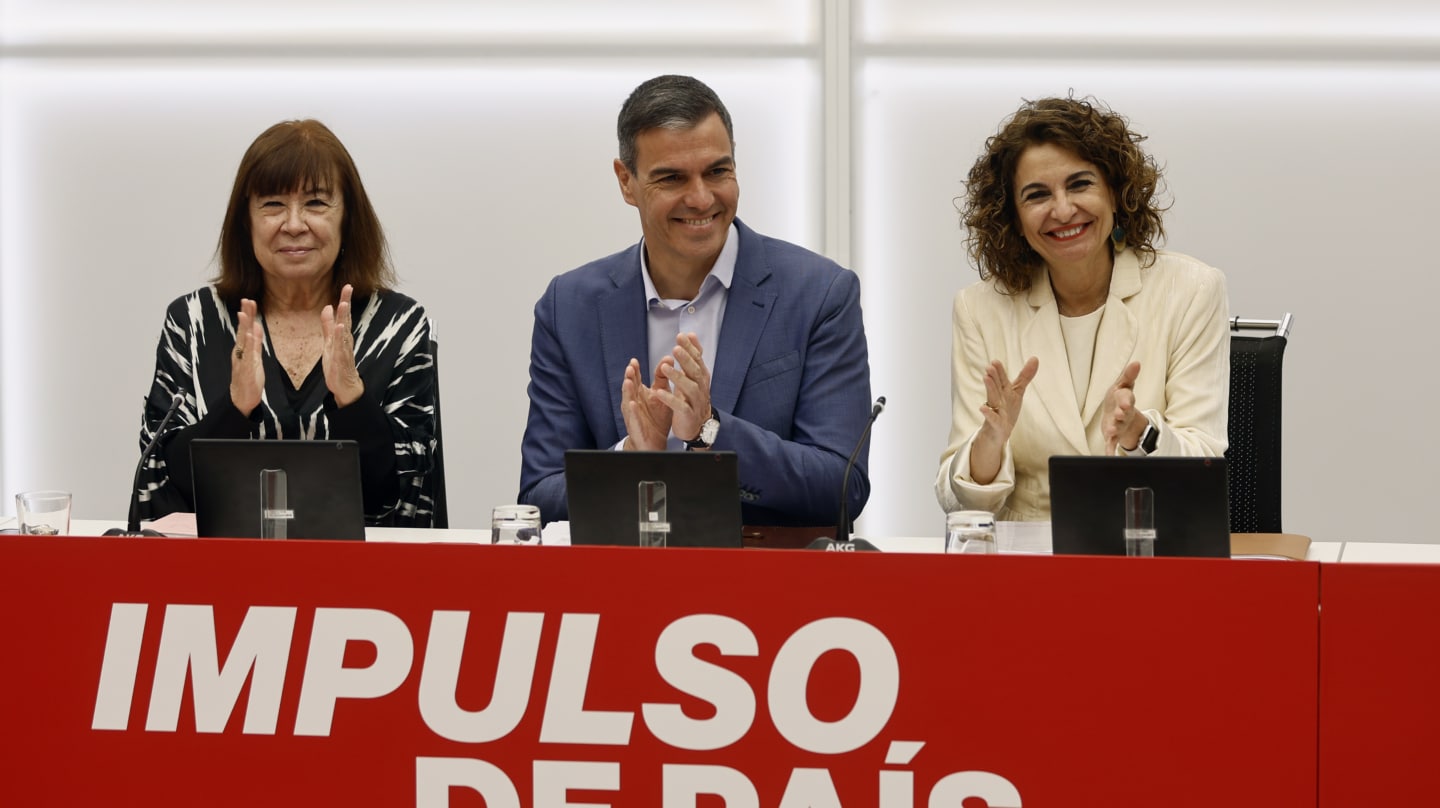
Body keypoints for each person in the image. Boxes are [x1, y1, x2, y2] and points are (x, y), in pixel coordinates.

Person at [519, 74, 873, 528]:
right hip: (617, 587)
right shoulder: (568, 307)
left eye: (717, 171)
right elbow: (538, 496)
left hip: (767, 585)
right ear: (626, 182)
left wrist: (710, 432)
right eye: (672, 178)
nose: (702, 198)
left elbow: (842, 487)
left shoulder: (820, 293)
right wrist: (632, 459)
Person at [935, 96, 1229, 521]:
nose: (1063, 209)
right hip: (1030, 567)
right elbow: (958, 500)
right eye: (1037, 195)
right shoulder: (980, 308)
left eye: (1079, 184)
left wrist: (1138, 434)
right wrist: (990, 443)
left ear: (1115, 191)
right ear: (1014, 218)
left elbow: (1203, 470)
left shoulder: (1191, 290)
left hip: (1147, 553)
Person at [135, 119, 438, 525]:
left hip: (361, 579)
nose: (294, 224)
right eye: (273, 204)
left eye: (316, 203)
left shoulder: (399, 326)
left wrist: (352, 397)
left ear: (348, 217)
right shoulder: (192, 322)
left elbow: (406, 491)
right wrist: (235, 410)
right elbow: (160, 480)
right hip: (218, 579)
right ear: (246, 222)